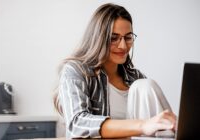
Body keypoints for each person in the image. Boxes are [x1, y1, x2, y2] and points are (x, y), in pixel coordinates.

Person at [53, 3, 176, 139]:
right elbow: (77, 124)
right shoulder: (75, 70)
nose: (123, 46)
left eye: (128, 37)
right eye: (113, 38)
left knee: (145, 85)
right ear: (98, 39)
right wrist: (142, 125)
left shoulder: (136, 77)